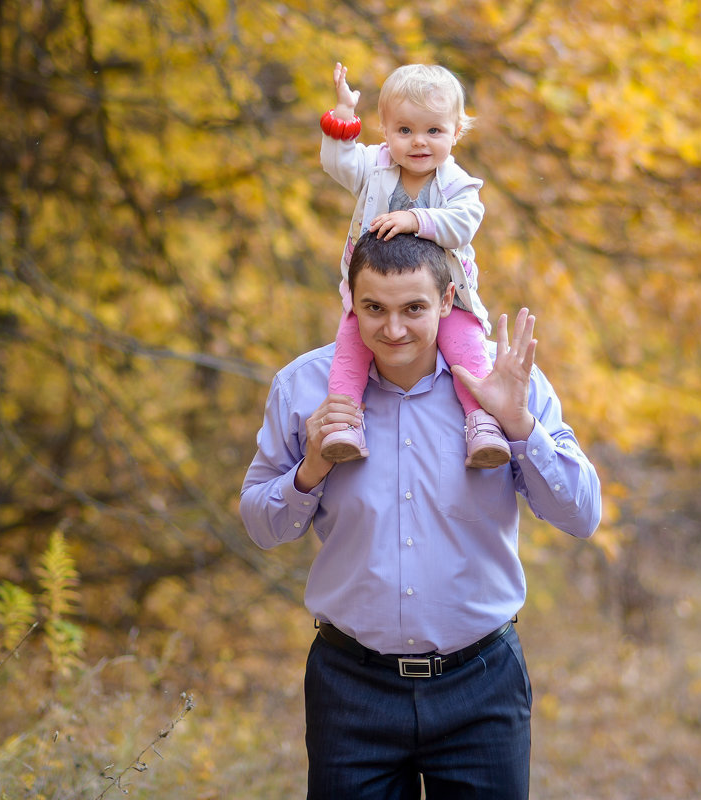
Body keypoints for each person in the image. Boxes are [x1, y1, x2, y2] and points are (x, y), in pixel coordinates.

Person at [239, 231, 602, 799]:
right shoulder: (303, 388)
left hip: (481, 685)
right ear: (349, 302)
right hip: (350, 688)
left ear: (449, 299)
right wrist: (309, 469)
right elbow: (261, 526)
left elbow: (582, 515)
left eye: (414, 308)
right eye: (373, 309)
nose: (393, 330)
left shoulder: (505, 384)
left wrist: (522, 429)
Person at [318, 61, 509, 469]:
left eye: (434, 131)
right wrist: (344, 116)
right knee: (350, 350)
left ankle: (482, 423)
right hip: (375, 291)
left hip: (443, 295)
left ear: (455, 133)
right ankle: (344, 423)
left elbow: (463, 223)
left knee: (468, 348)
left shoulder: (456, 184)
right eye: (404, 130)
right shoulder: (375, 167)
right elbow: (338, 164)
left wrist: (415, 219)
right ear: (385, 131)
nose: (418, 142)